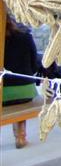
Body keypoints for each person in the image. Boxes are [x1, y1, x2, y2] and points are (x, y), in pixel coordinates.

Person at [3, 15, 41, 148]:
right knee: (19, 99)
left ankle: (20, 136)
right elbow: (34, 65)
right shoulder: (25, 37)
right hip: (26, 91)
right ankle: (20, 136)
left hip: (3, 93)